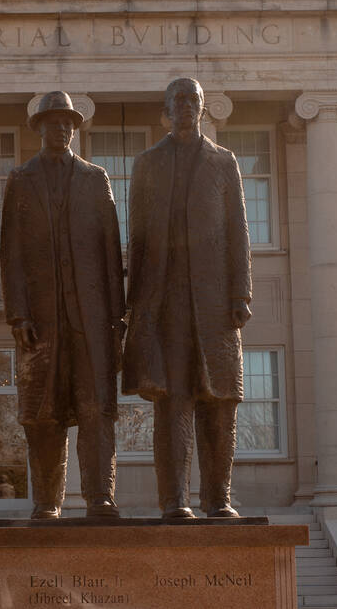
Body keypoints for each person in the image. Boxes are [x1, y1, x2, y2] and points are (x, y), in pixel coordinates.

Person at [122, 77, 252, 519]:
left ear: (202, 108)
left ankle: (218, 498)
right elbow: (136, 239)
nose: (186, 107)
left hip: (215, 301)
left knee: (218, 402)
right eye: (178, 100)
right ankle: (174, 499)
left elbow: (238, 230)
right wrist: (133, 306)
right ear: (167, 108)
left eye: (193, 100)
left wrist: (241, 291)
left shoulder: (223, 162)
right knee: (172, 401)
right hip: (165, 301)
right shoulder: (148, 164)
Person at [0, 91, 125, 519]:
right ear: (39, 128)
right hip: (40, 318)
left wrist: (117, 317)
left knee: (96, 409)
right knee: (43, 412)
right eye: (53, 123)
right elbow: (10, 252)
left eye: (68, 123)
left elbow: (112, 253)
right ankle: (46, 501)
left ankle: (99, 497)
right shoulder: (21, 179)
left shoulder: (96, 179)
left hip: (92, 319)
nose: (62, 129)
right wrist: (16, 312)